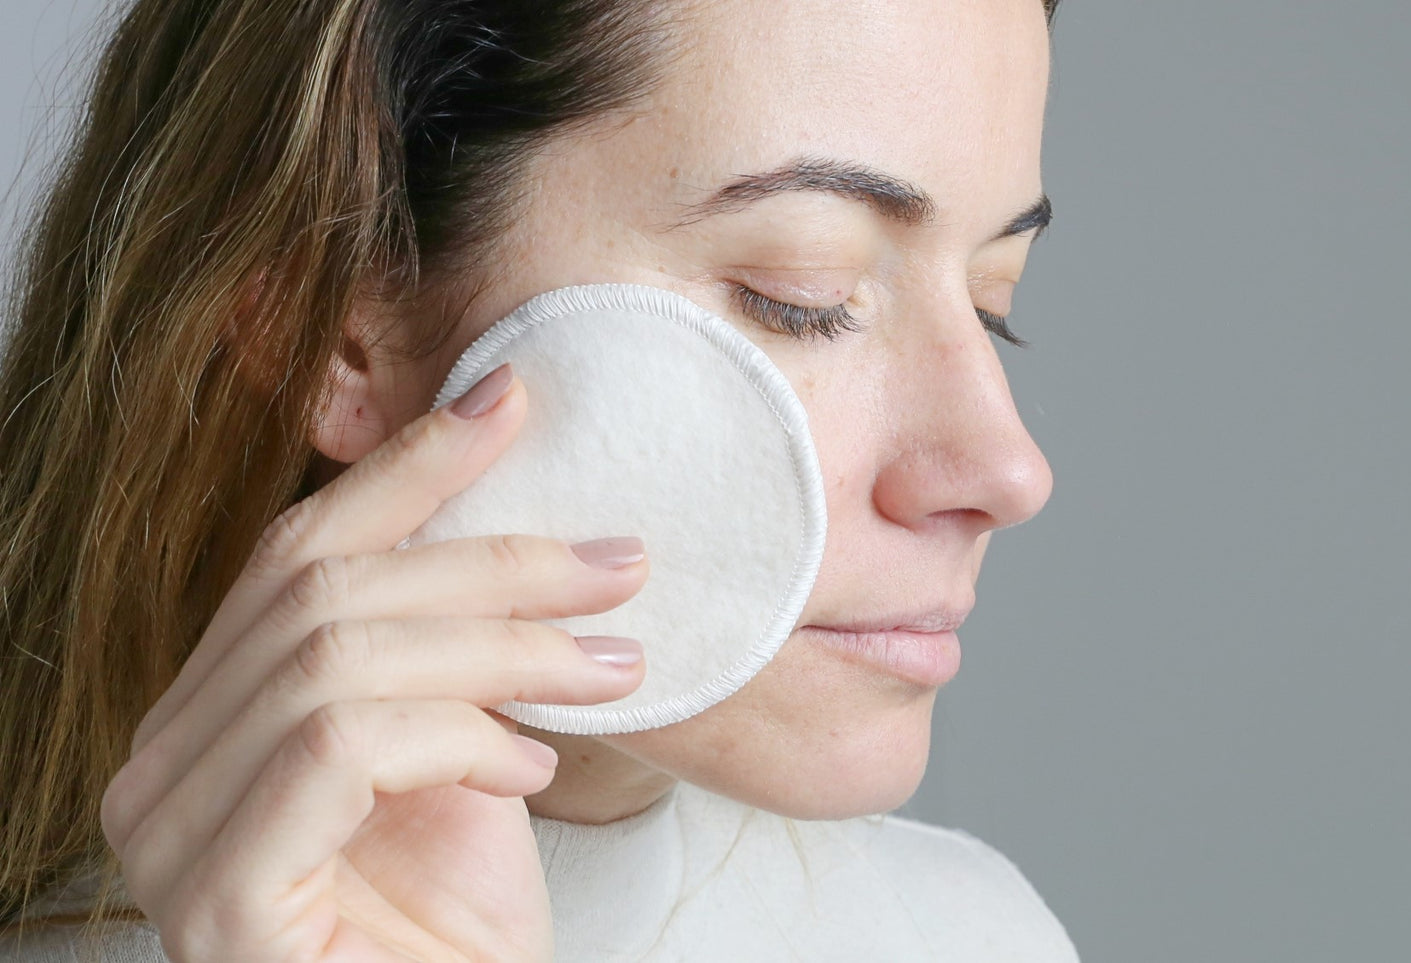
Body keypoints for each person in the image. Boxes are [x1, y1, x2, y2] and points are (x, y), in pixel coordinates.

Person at [0, 0, 1077, 959]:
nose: (1005, 470)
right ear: (334, 334)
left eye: (992, 303)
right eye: (801, 293)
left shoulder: (972, 934)